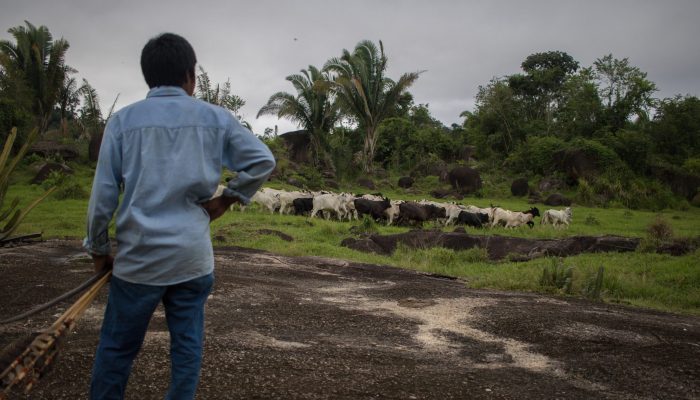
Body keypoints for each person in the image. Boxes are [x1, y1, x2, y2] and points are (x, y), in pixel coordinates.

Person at [83, 32, 275, 399]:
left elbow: (103, 196)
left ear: (148, 76)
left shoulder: (123, 123)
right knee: (186, 350)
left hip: (139, 261)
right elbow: (263, 160)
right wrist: (227, 199)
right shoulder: (215, 119)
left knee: (117, 350)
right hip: (191, 260)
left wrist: (98, 251)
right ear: (191, 75)